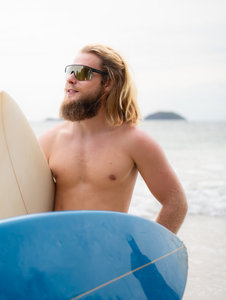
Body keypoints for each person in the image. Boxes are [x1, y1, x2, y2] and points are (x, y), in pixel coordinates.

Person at [39, 44, 187, 234]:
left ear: (107, 83)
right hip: (57, 254)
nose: (71, 79)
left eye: (82, 73)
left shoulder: (135, 142)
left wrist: (148, 257)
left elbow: (175, 203)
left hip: (109, 256)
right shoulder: (49, 140)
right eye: (70, 71)